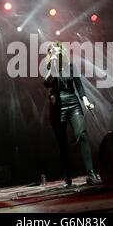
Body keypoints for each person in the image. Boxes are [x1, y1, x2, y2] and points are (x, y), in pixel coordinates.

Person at [43, 42, 101, 186]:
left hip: (73, 102)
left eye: (54, 48)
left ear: (61, 50)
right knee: (62, 144)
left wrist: (86, 101)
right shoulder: (50, 67)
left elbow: (79, 86)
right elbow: (47, 83)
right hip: (58, 106)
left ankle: (91, 173)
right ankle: (67, 176)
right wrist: (53, 66)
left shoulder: (71, 67)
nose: (52, 51)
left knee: (82, 134)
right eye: (50, 50)